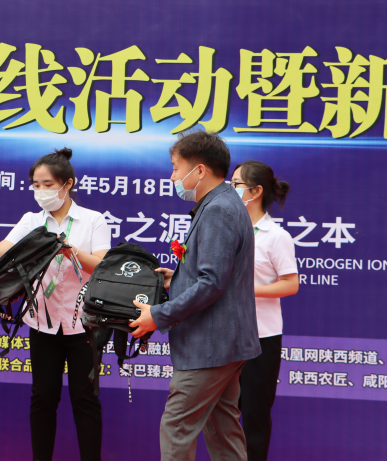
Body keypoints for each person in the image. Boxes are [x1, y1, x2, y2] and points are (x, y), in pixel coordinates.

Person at [0, 148, 110, 461]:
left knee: (85, 400)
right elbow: (1, 253)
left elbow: (102, 266)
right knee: (43, 399)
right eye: (36, 185)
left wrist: (70, 250)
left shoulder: (93, 220)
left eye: (48, 185)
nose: (41, 191)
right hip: (42, 324)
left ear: (67, 184)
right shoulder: (31, 221)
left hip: (84, 326)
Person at [129, 131, 261, 461]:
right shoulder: (222, 203)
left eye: (176, 168)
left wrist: (157, 315)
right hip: (226, 343)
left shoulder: (218, 209)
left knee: (177, 426)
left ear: (199, 170)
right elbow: (213, 275)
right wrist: (177, 278)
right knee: (223, 429)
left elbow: (212, 282)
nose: (172, 177)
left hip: (211, 345)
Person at [232, 161, 298, 461]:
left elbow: (290, 284)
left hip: (261, 338)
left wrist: (248, 290)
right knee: (223, 413)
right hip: (224, 335)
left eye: (236, 185)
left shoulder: (276, 236)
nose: (230, 190)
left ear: (256, 191)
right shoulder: (229, 230)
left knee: (254, 415)